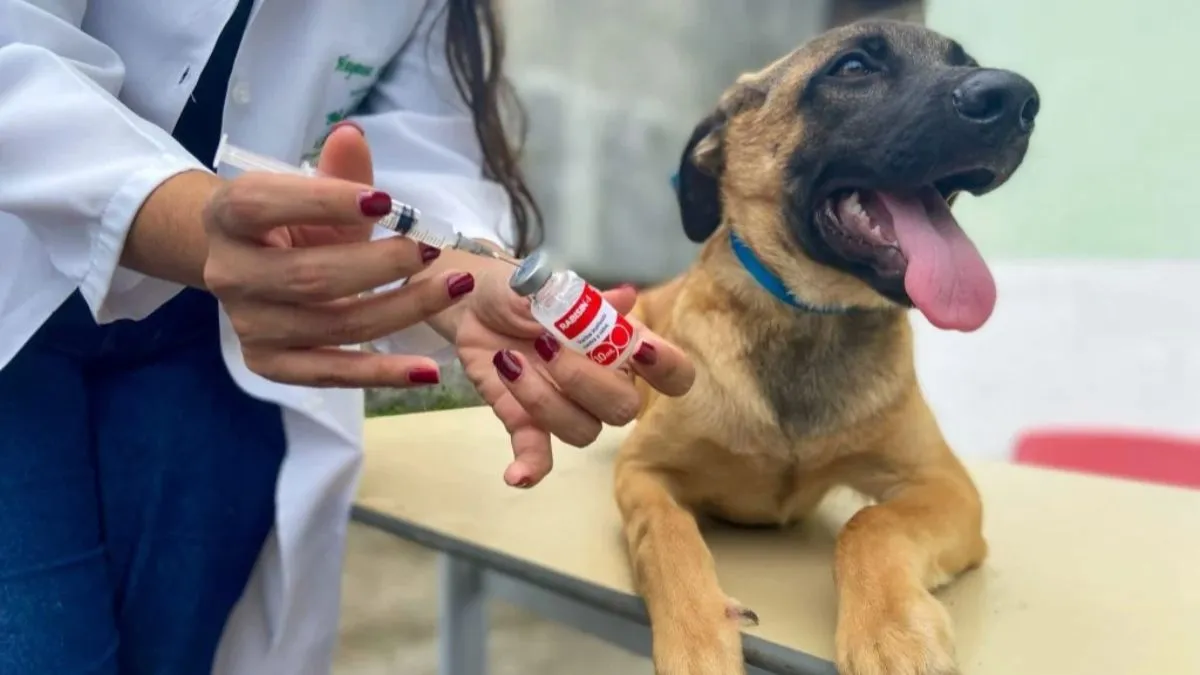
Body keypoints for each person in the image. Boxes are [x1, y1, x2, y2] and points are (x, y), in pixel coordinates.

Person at [0, 1, 696, 674]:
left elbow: (422, 145)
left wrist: (460, 270)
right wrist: (196, 220)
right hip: (21, 296)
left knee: (173, 651)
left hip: (213, 343)